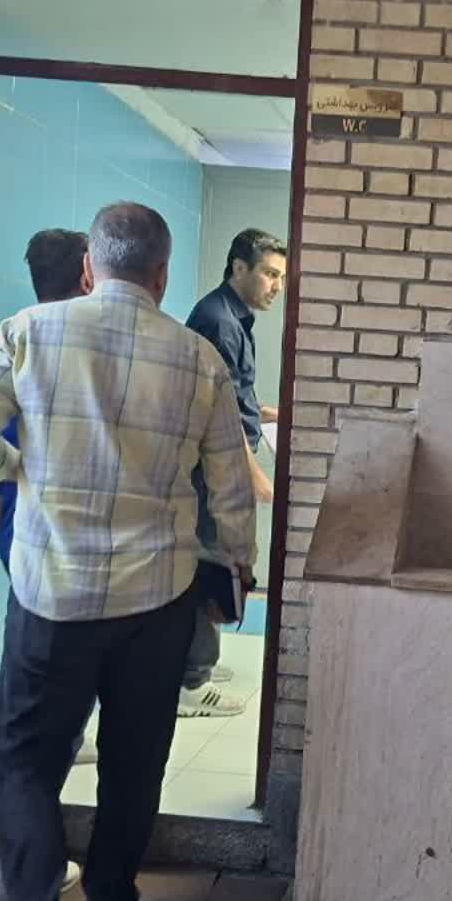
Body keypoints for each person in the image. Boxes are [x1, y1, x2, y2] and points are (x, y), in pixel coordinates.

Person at [0, 202, 258, 901]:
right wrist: (238, 565)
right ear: (162, 273)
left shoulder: (28, 332)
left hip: (53, 593)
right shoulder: (198, 357)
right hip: (157, 597)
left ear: (90, 266)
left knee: (23, 758)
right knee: (134, 760)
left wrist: (15, 468)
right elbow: (230, 486)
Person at [0, 229, 90, 901]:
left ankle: (22, 866)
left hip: (33, 563)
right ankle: (25, 871)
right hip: (94, 571)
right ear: (88, 274)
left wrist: (9, 492)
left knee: (20, 729)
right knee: (32, 732)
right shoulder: (84, 350)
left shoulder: (16, 342)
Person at [180, 228, 286, 717]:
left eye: (280, 277)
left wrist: (265, 412)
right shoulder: (220, 322)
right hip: (214, 470)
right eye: (269, 274)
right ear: (238, 268)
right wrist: (253, 475)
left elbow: (232, 391)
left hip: (219, 465)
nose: (276, 286)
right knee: (212, 562)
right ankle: (191, 683)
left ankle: (197, 663)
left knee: (218, 559)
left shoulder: (233, 317)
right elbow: (216, 413)